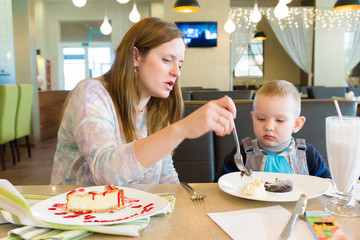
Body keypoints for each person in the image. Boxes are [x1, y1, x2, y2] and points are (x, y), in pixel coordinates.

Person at [50, 17, 236, 185]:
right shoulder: (91, 94)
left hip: (134, 216)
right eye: (166, 60)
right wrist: (182, 129)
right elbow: (105, 172)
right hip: (79, 218)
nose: (176, 72)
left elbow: (166, 176)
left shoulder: (157, 108)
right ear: (136, 57)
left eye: (179, 64)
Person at [214, 80, 331, 181]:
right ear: (253, 117)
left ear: (296, 124)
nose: (269, 126)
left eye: (280, 120)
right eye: (261, 118)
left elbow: (327, 184)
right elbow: (219, 184)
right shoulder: (241, 154)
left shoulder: (308, 155)